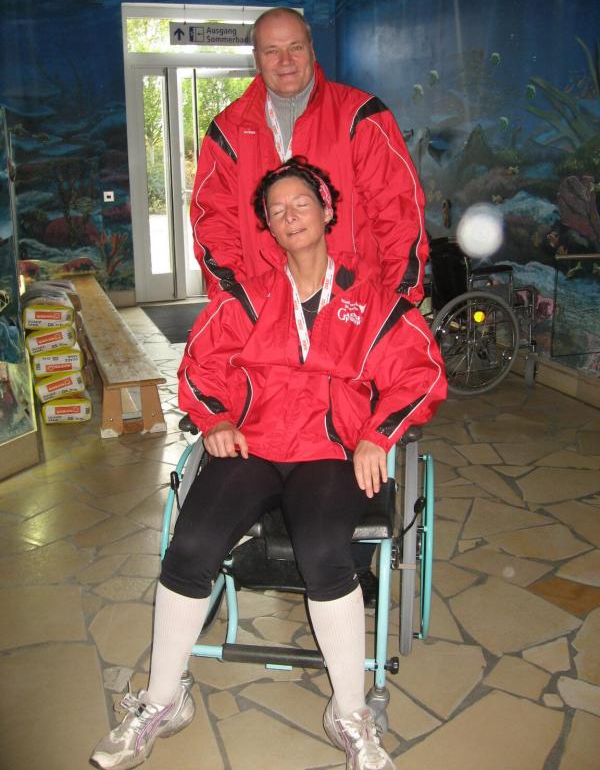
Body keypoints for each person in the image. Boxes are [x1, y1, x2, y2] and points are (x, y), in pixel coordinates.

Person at [91, 159, 446, 770]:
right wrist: (216, 421)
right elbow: (199, 371)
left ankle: (350, 714)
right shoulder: (246, 299)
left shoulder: (372, 300)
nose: (289, 215)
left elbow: (421, 372)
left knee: (325, 552)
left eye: (300, 203)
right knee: (190, 544)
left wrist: (377, 435)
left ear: (327, 209)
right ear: (269, 227)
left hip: (328, 453)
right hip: (253, 447)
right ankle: (162, 700)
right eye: (276, 210)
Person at [190, 6, 428, 603]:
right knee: (263, 433)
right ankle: (265, 536)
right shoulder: (228, 130)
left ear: (312, 48)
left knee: (342, 439)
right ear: (255, 57)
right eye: (271, 50)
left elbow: (398, 211)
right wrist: (239, 307)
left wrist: (393, 311)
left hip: (353, 318)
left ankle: (342, 560)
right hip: (264, 319)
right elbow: (212, 223)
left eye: (294, 46)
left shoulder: (359, 115)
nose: (285, 61)